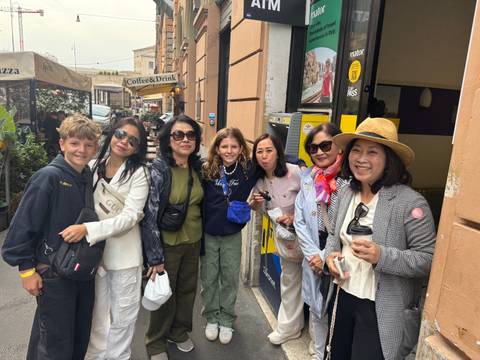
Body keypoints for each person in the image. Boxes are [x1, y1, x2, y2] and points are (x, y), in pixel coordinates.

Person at [325, 117, 436, 360]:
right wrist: (330, 257)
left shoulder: (410, 203)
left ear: (389, 159)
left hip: (381, 307)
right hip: (343, 296)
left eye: (372, 152)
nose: (361, 159)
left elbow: (427, 259)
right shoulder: (346, 192)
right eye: (356, 150)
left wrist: (381, 256)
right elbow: (334, 237)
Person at [1, 114, 101, 359]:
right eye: (75, 143)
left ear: (95, 148)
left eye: (88, 145)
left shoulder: (87, 176)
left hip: (80, 271)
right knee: (53, 341)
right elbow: (21, 229)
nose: (81, 150)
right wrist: (27, 271)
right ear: (62, 144)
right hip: (53, 274)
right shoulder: (48, 177)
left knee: (78, 336)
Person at [60, 118, 148, 360]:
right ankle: (97, 356)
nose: (124, 142)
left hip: (124, 257)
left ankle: (119, 357)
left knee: (123, 316)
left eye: (133, 140)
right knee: (97, 314)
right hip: (93, 256)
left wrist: (88, 229)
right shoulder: (94, 164)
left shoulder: (139, 174)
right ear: (112, 134)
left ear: (138, 148)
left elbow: (131, 217)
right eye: (121, 134)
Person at [141, 115, 204, 360]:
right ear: (168, 140)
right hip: (167, 244)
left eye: (191, 135)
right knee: (164, 294)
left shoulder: (197, 167)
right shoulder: (159, 170)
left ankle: (178, 332)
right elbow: (150, 215)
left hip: (193, 241)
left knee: (188, 291)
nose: (185, 139)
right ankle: (155, 342)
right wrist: (154, 257)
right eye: (179, 134)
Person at [293, 123, 347, 359]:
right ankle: (317, 353)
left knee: (336, 309)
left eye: (325, 145)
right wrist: (314, 255)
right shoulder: (308, 179)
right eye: (313, 148)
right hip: (314, 252)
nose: (319, 152)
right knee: (317, 309)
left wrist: (325, 258)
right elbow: (300, 220)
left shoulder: (349, 180)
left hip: (340, 256)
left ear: (338, 146)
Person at [201, 127, 256, 345]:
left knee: (230, 277)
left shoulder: (248, 170)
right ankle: (211, 317)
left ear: (241, 148)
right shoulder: (207, 169)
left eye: (234, 146)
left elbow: (274, 162)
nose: (229, 150)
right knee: (209, 277)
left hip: (232, 233)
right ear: (217, 147)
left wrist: (298, 163)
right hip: (208, 232)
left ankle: (227, 319)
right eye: (224, 146)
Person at [250, 133, 306, 345]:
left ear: (278, 152)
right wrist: (256, 204)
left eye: (269, 150)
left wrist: (294, 216)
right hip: (286, 239)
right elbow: (263, 212)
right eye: (259, 152)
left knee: (314, 286)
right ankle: (289, 328)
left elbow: (314, 203)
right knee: (290, 282)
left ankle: (318, 340)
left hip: (309, 239)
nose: (264, 156)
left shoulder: (295, 173)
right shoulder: (260, 181)